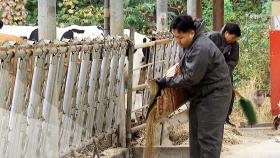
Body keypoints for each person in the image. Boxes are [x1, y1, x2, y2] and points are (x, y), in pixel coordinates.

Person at [156, 15, 232, 158]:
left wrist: (167, 82)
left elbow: (191, 78)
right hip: (200, 93)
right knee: (196, 137)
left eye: (181, 37)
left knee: (208, 138)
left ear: (192, 33)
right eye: (175, 37)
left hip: (215, 95)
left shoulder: (201, 47)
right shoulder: (189, 44)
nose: (178, 41)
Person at [206, 22, 241, 127]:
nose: (234, 40)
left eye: (236, 38)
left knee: (230, 92)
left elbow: (233, 61)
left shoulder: (235, 45)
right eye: (233, 37)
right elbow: (203, 54)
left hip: (225, 72)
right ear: (226, 33)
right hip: (208, 71)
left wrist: (225, 72)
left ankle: (225, 118)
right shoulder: (211, 37)